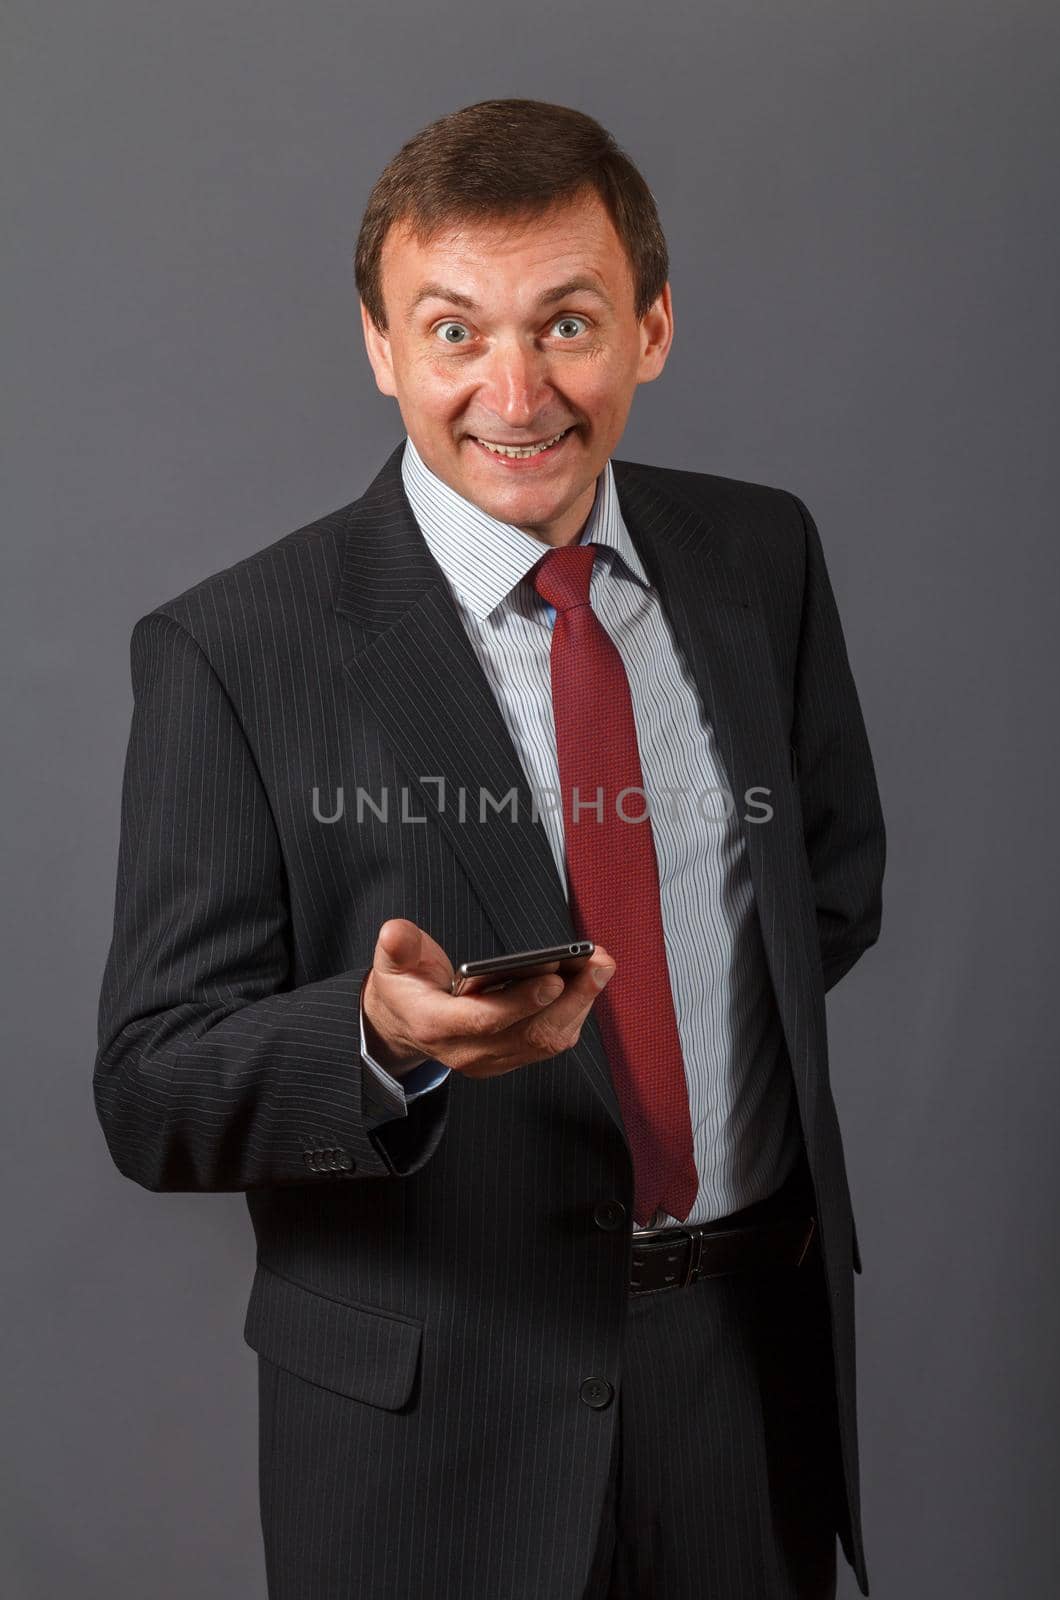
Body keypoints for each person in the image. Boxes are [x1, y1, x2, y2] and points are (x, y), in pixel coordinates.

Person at [93, 97, 885, 1599]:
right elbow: (149, 1086)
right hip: (435, 1435)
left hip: (743, 1379)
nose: (514, 392)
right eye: (454, 332)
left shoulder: (757, 560)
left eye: (566, 323)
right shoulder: (234, 650)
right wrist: (379, 1040)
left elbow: (818, 888)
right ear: (381, 346)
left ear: (649, 327)